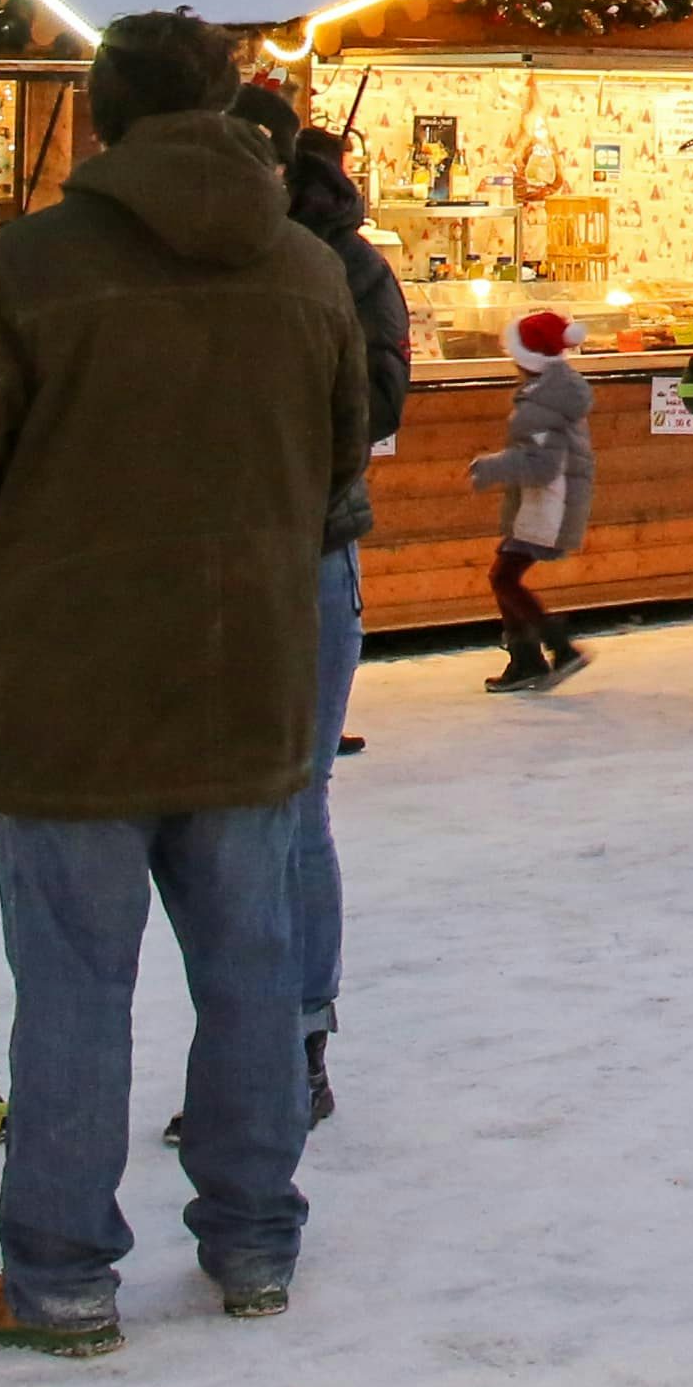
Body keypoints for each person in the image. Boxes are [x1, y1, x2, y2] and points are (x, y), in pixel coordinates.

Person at [0, 10, 363, 1353]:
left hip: (78, 683)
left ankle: (59, 1278)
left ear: (101, 119)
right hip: (253, 673)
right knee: (249, 974)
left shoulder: (30, 268)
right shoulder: (305, 266)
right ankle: (254, 1241)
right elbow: (345, 468)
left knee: (73, 991)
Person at [269, 118, 407, 1121]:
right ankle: (246, 1045)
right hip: (203, 561)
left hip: (309, 548)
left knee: (293, 800)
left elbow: (379, 398)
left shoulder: (343, 265)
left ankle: (298, 1041)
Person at [472, 307, 595, 691]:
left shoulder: (542, 403)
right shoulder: (553, 392)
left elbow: (541, 465)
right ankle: (528, 658)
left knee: (504, 577)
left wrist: (492, 467)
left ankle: (556, 648)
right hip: (546, 501)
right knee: (504, 576)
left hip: (546, 505)